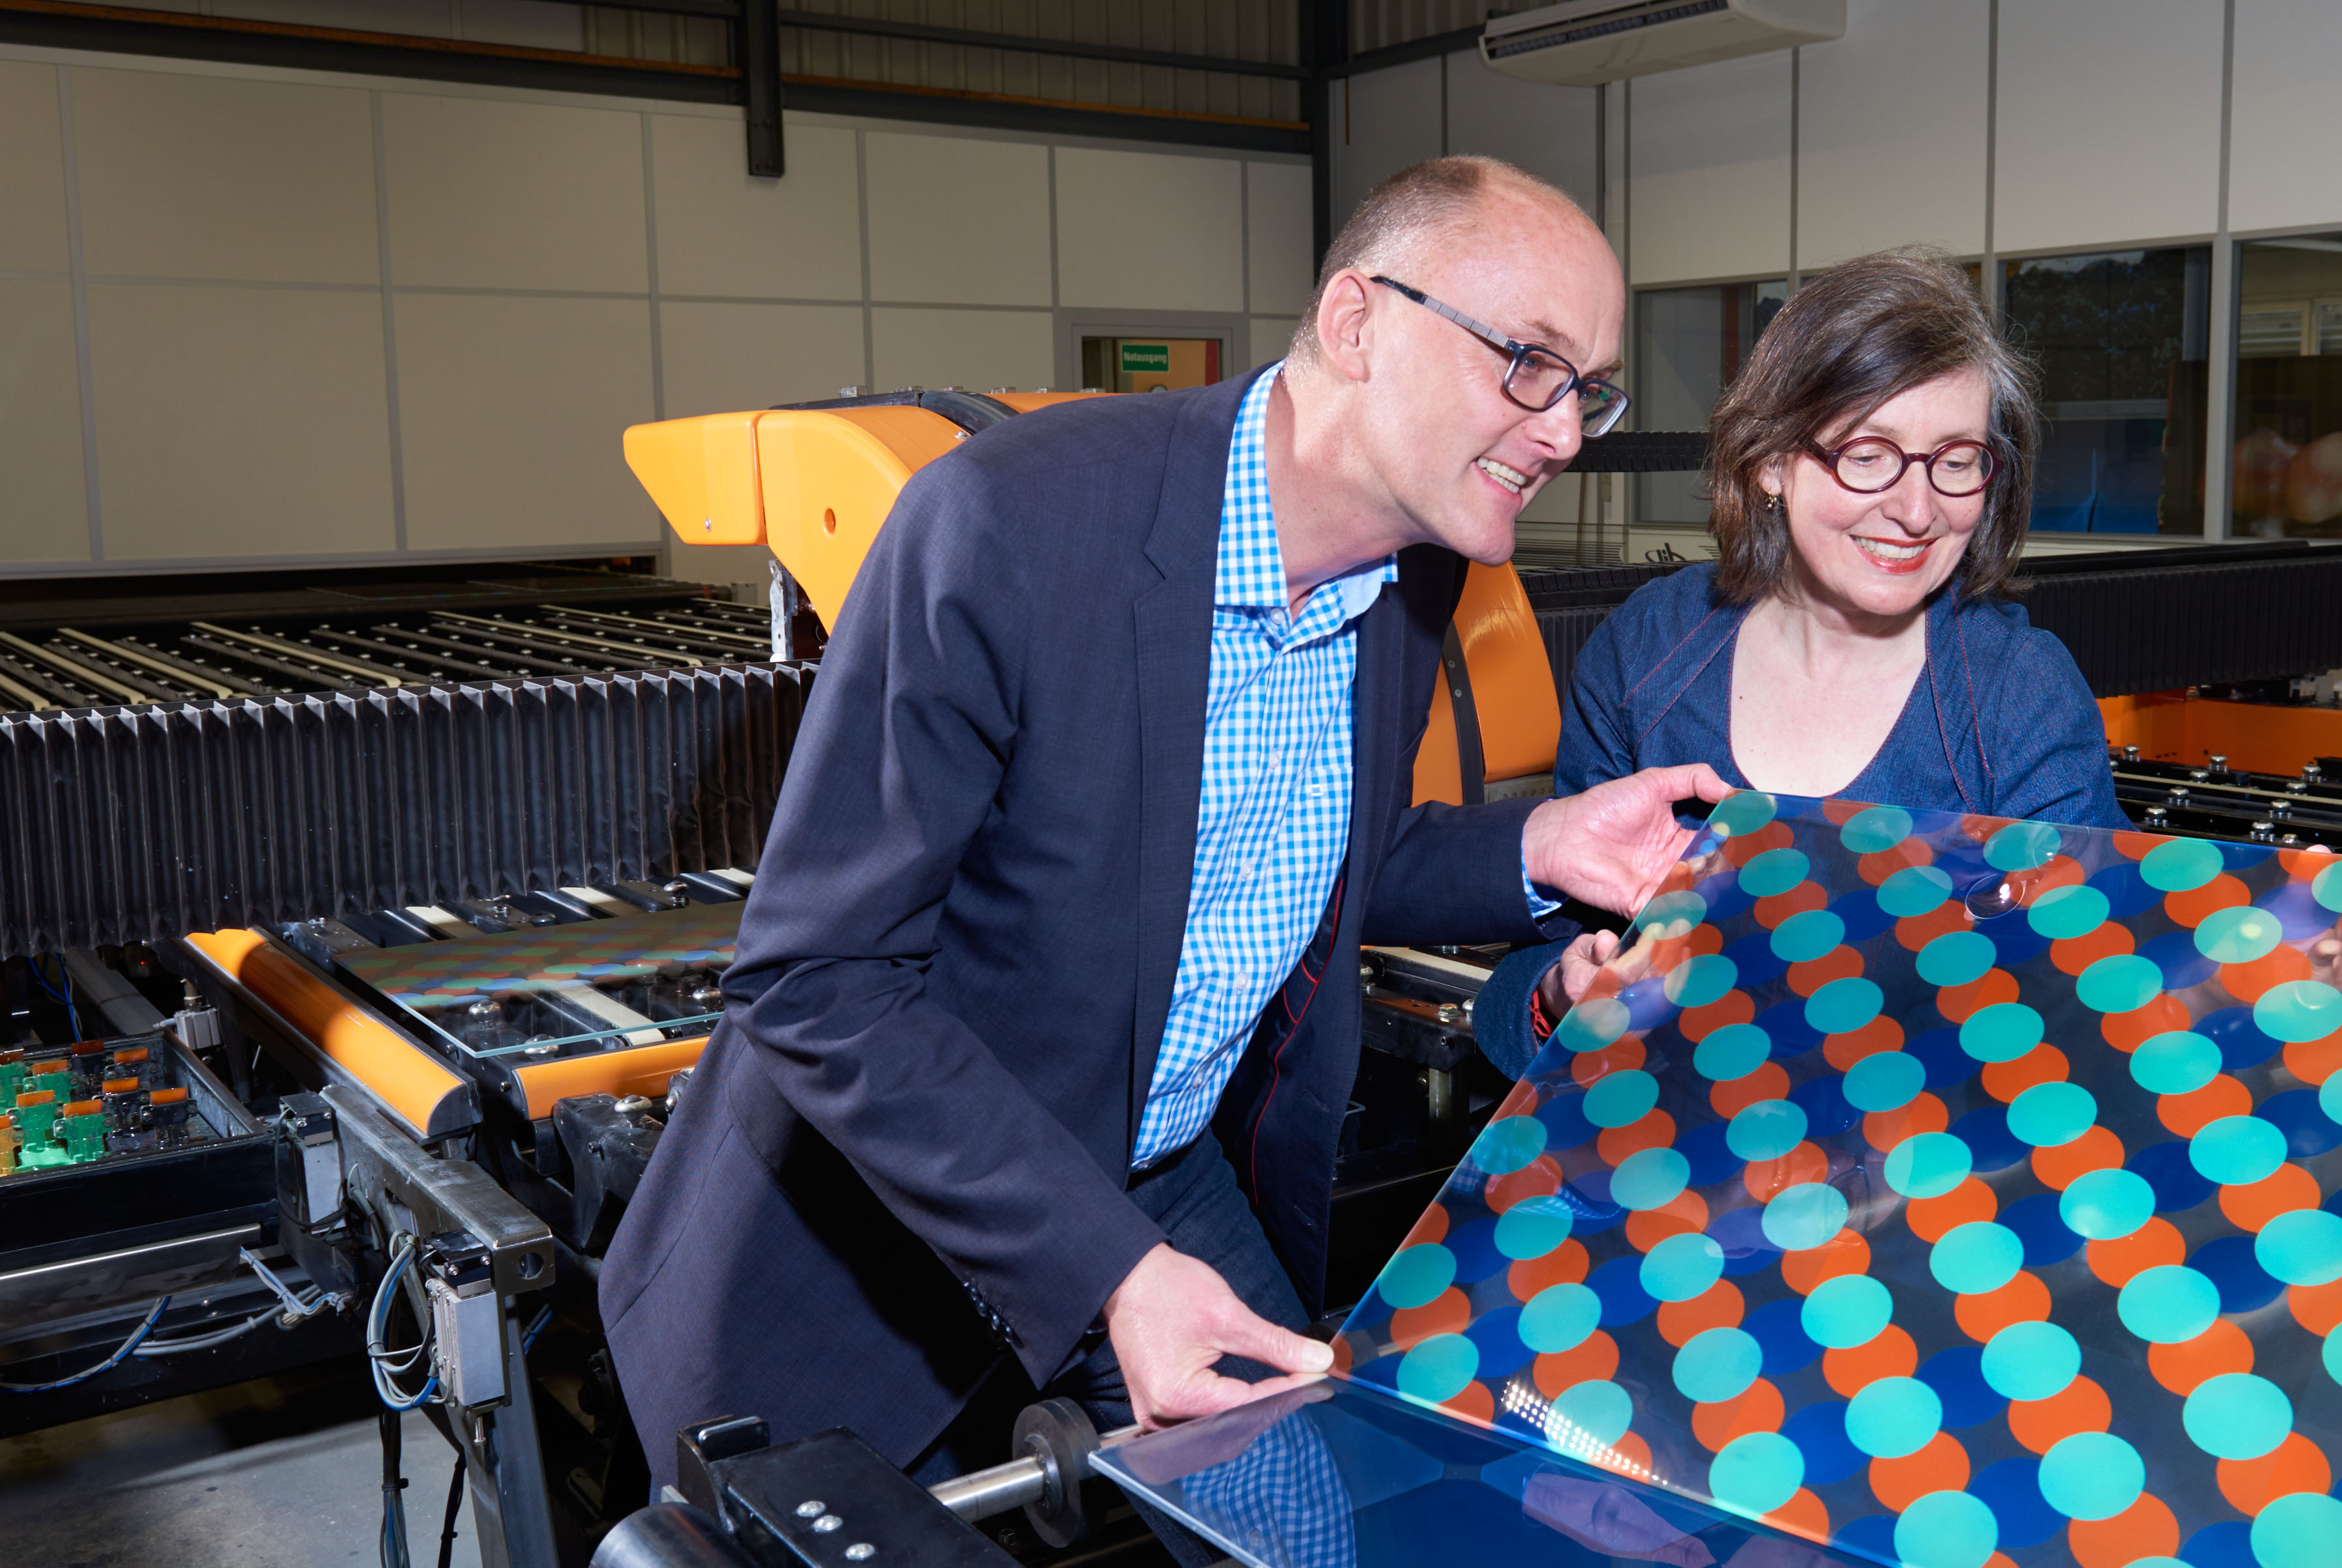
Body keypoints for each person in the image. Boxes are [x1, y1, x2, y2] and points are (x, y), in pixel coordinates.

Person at [597, 153, 1726, 1541]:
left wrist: (1539, 843)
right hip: (866, 1238)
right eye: (1529, 366)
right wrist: (1112, 1271)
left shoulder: (1415, 567)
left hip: (1160, 1170)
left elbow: (1285, 863)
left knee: (1337, 1516)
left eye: (1590, 388)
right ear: (1358, 320)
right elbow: (816, 979)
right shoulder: (1007, 523)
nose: (1563, 433)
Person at [1474, 248, 2127, 1078]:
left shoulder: (2017, 695)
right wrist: (1561, 1000)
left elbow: (2095, 998)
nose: (1917, 510)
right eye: (1867, 453)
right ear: (1772, 461)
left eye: (1956, 459)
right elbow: (1519, 991)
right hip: (1677, 1166)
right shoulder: (1650, 651)